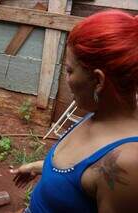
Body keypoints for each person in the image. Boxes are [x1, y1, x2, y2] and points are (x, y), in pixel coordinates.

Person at [12, 10, 138, 213]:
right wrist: (39, 167)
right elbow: (79, 176)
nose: (67, 80)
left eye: (70, 71)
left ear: (98, 81)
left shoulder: (128, 165)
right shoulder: (102, 113)